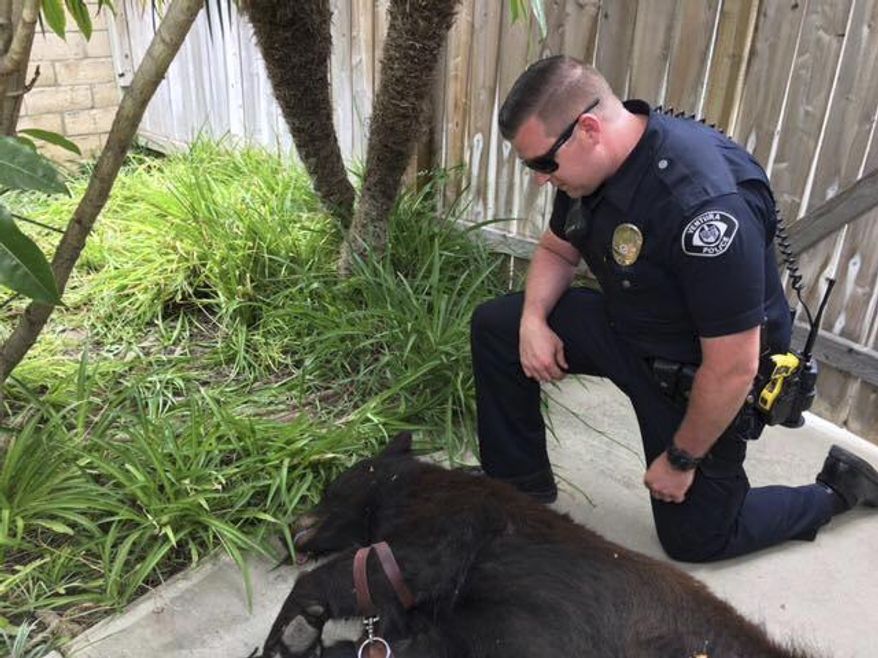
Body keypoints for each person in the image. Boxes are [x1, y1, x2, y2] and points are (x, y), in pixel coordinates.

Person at [470, 56, 878, 563]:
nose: (538, 179)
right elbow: (557, 250)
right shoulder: (586, 173)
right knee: (498, 327)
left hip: (693, 375)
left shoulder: (702, 208)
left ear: (589, 129)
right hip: (626, 325)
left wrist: (682, 458)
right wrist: (533, 322)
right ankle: (518, 490)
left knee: (698, 538)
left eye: (541, 164)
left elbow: (733, 367)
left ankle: (837, 493)